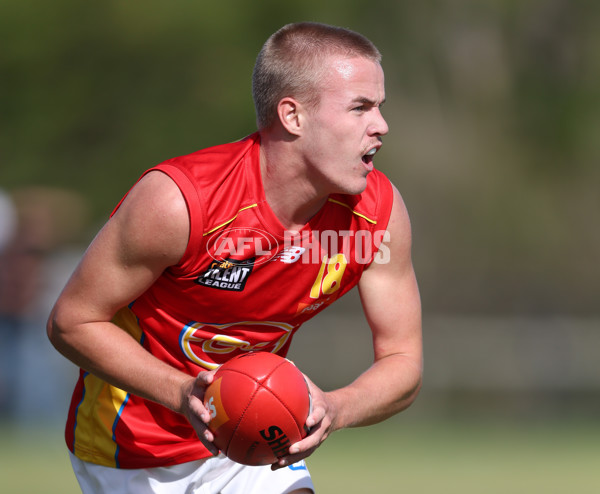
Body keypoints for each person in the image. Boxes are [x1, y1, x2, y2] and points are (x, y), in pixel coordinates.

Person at [47, 21, 422, 494]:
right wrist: (182, 394)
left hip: (255, 439)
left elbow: (403, 360)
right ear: (293, 116)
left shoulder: (377, 215)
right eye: (360, 107)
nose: (381, 125)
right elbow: (72, 322)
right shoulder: (181, 203)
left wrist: (337, 407)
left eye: (380, 107)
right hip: (132, 451)